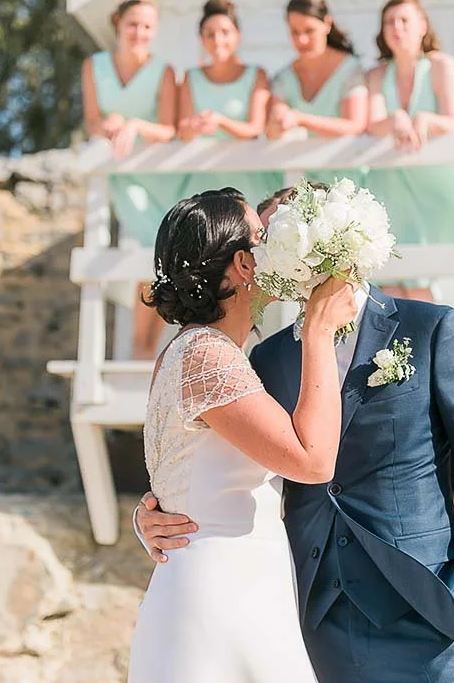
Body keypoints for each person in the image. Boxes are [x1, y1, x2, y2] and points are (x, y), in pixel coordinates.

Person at [135, 193, 454, 683]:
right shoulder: (261, 359)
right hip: (311, 618)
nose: (272, 253)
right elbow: (220, 458)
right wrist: (152, 514)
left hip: (425, 611)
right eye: (265, 240)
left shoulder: (432, 330)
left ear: (329, 239)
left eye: (280, 238)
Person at [126, 187, 358, 682]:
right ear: (242, 264)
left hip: (231, 578)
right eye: (261, 237)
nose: (272, 244)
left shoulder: (196, 351)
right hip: (222, 590)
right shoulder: (205, 356)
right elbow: (313, 461)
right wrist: (318, 330)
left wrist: (144, 516)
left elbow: (187, 472)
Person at [364, 0, 454, 301]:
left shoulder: (440, 65)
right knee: (391, 275)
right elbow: (371, 123)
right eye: (389, 22)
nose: (397, 28)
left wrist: (425, 118)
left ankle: (429, 345)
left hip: (432, 179)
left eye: (404, 20)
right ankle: (390, 349)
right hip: (390, 181)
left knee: (420, 277)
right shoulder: (375, 75)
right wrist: (395, 118)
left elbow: (453, 120)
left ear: (422, 26)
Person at [81, 0, 180, 360]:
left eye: (147, 26)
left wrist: (136, 124)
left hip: (163, 181)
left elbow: (169, 128)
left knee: (162, 264)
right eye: (133, 24)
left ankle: (146, 352)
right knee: (146, 257)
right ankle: (140, 351)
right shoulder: (94, 66)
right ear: (118, 25)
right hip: (126, 181)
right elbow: (91, 120)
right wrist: (106, 123)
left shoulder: (164, 70)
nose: (140, 32)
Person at [177, 0, 282, 207]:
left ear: (238, 36)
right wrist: (196, 126)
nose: (218, 41)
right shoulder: (191, 77)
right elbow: (183, 131)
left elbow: (255, 128)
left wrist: (220, 121)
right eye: (210, 34)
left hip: (247, 180)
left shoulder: (257, 75)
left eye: (225, 33)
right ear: (202, 39)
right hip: (203, 180)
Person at [267, 0, 368, 185]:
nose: (302, 40)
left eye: (309, 31)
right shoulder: (283, 78)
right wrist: (278, 121)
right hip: (299, 185)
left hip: (345, 183)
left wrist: (300, 118)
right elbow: (272, 130)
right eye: (294, 32)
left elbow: (355, 125)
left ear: (327, 24)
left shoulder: (350, 70)